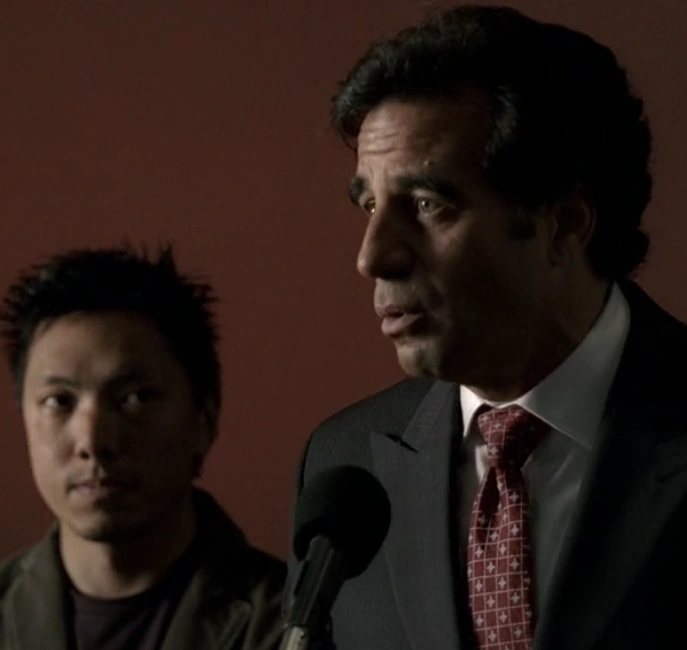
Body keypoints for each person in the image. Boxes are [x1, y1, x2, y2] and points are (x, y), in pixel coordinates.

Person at [288, 4, 687, 650]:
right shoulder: (343, 465)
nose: (373, 256)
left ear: (563, 224)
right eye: (369, 205)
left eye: (426, 205)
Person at [0, 245, 286, 649]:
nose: (93, 441)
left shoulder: (292, 625)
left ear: (203, 420)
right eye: (59, 401)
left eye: (135, 398)